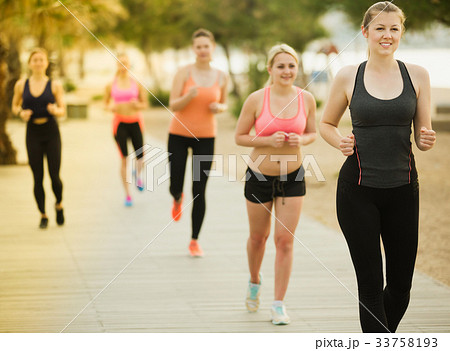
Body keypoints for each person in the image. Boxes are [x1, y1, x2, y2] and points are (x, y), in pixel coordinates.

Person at [319, 1, 436, 333]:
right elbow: (326, 123)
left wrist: (427, 140)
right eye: (380, 28)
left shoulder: (418, 75)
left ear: (402, 32)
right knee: (370, 286)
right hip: (357, 192)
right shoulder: (347, 76)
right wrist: (338, 139)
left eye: (394, 28)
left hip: (403, 189)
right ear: (365, 31)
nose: (387, 35)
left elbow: (422, 134)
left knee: (400, 288)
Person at [235, 44, 317, 325]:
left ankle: (278, 304)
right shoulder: (257, 99)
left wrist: (301, 140)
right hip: (259, 176)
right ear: (270, 69)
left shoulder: (306, 98)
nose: (287, 71)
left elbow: (312, 132)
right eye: (281, 66)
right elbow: (240, 136)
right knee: (259, 238)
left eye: (291, 66)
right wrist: (267, 141)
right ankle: (255, 281)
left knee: (285, 242)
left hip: (292, 176)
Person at [168, 29, 228, 257]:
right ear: (193, 49)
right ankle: (176, 197)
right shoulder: (183, 73)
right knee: (176, 182)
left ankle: (194, 240)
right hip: (178, 136)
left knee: (199, 189)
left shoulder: (222, 76)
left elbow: (223, 103)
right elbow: (173, 105)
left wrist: (219, 108)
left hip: (206, 137)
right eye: (198, 47)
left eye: (206, 46)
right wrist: (188, 97)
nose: (203, 50)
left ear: (212, 47)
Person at [12, 48, 66, 229]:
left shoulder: (54, 85)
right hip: (32, 133)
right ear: (29, 63)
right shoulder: (21, 84)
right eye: (35, 60)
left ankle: (59, 204)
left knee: (54, 176)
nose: (38, 63)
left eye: (41, 59)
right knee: (37, 177)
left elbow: (63, 109)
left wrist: (54, 111)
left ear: (46, 63)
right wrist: (21, 112)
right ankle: (43, 214)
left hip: (51, 132)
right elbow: (14, 106)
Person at [104, 53, 148, 206]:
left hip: (135, 122)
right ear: (116, 66)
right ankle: (128, 195)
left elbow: (145, 104)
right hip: (120, 124)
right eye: (119, 63)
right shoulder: (110, 84)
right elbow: (105, 105)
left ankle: (138, 174)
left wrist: (138, 105)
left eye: (125, 63)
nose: (122, 67)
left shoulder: (137, 83)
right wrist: (110, 107)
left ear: (129, 65)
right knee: (124, 160)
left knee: (141, 157)